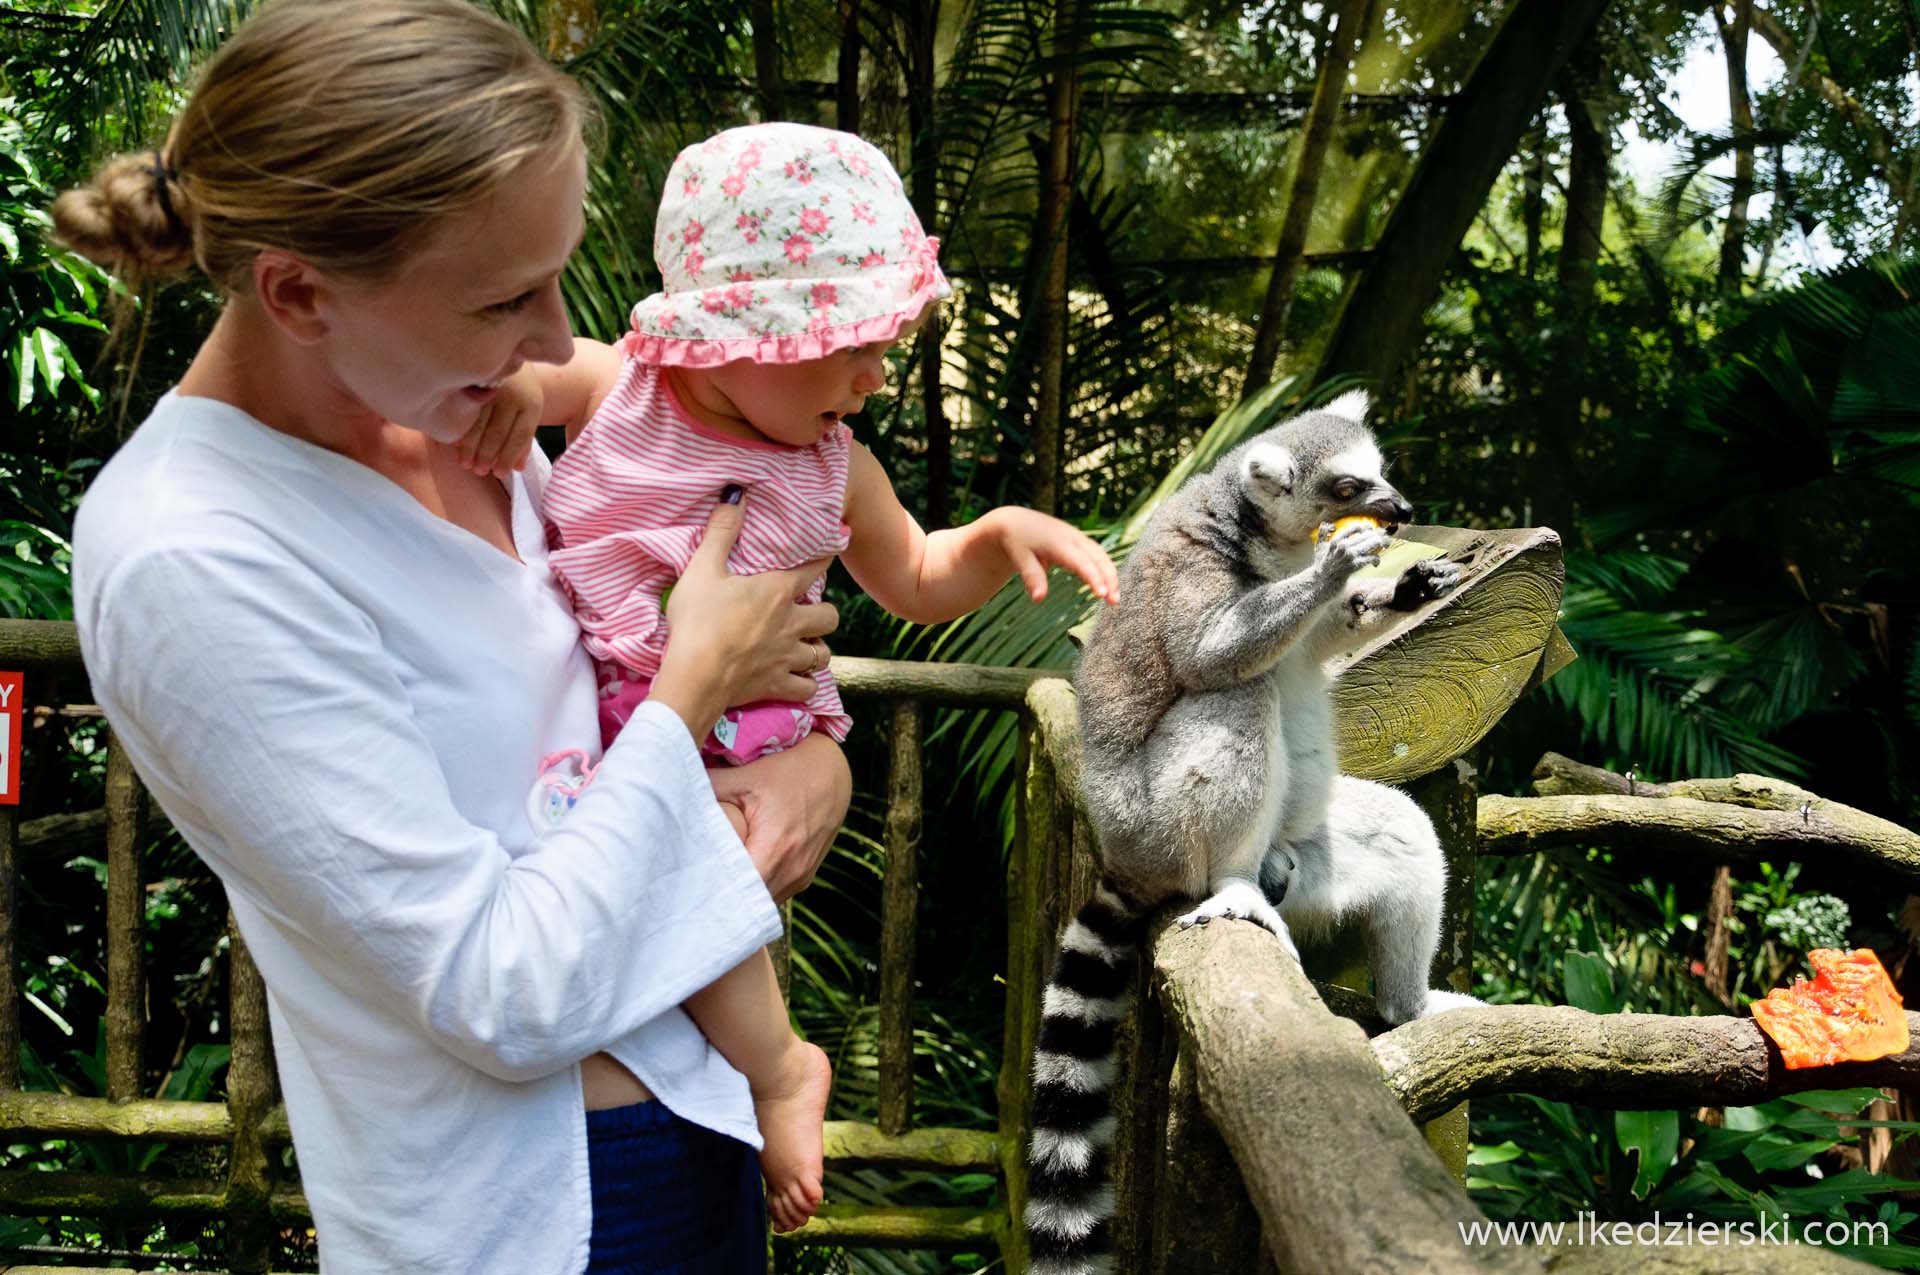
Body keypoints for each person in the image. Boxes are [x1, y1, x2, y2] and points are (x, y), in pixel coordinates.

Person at [53, 3, 848, 1272]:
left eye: (559, 273)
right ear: (300, 292)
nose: (555, 340)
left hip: (705, 1113)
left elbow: (600, 707)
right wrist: (694, 690)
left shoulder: (456, 408)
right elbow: (503, 992)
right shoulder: (189, 553)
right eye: (503, 300)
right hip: (537, 1208)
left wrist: (812, 766)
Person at [465, 121, 1119, 1234]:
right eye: (853, 348)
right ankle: (772, 1073)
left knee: (689, 873)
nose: (871, 382)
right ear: (738, 340)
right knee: (650, 876)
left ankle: (778, 1071)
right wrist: (518, 392)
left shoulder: (836, 466)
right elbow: (516, 369)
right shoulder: (623, 386)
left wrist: (994, 534)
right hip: (624, 728)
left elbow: (912, 572)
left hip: (742, 740)